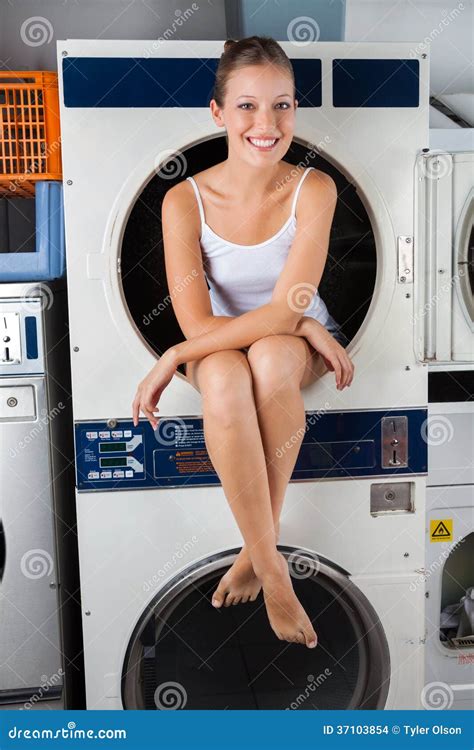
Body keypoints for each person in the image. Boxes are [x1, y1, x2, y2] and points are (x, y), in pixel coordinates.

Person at [132, 36, 355, 649]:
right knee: (230, 372)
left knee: (272, 355)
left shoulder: (315, 188)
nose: (267, 124)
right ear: (218, 113)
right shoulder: (185, 200)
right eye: (249, 107)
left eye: (282, 105)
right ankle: (271, 563)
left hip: (295, 345)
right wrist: (288, 318)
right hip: (220, 342)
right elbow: (196, 323)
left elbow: (291, 303)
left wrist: (300, 322)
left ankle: (258, 555)